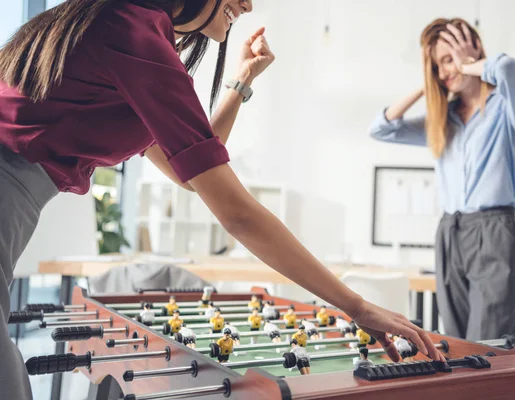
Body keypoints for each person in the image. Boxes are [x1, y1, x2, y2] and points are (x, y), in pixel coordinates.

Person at [0, 1, 442, 398]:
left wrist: (241, 81)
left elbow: (187, 173)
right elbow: (235, 213)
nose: (247, 5)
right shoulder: (134, 33)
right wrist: (357, 306)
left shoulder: (125, 28)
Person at [368, 18, 515, 341]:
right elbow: (381, 129)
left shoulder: (505, 107)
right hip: (449, 232)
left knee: (488, 343)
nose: (445, 71)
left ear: (473, 53)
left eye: (448, 60)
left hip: (494, 230)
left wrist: (468, 65)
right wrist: (427, 82)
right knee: (455, 342)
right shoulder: (442, 121)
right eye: (437, 65)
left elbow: (509, 69)